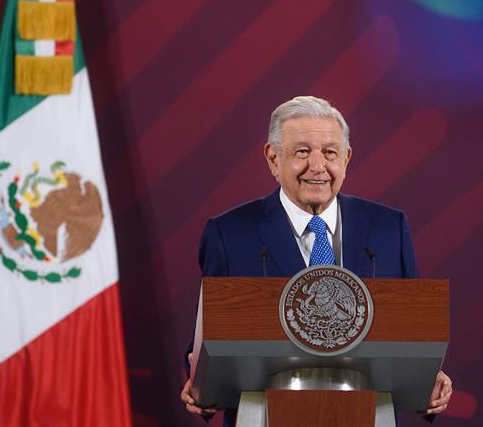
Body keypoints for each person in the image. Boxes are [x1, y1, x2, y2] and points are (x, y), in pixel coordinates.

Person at [181, 96, 452, 423]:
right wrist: (198, 379)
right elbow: (208, 336)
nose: (318, 166)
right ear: (273, 158)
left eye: (329, 152)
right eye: (302, 151)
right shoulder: (229, 234)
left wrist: (430, 379)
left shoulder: (388, 229)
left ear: (347, 158)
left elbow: (413, 333)